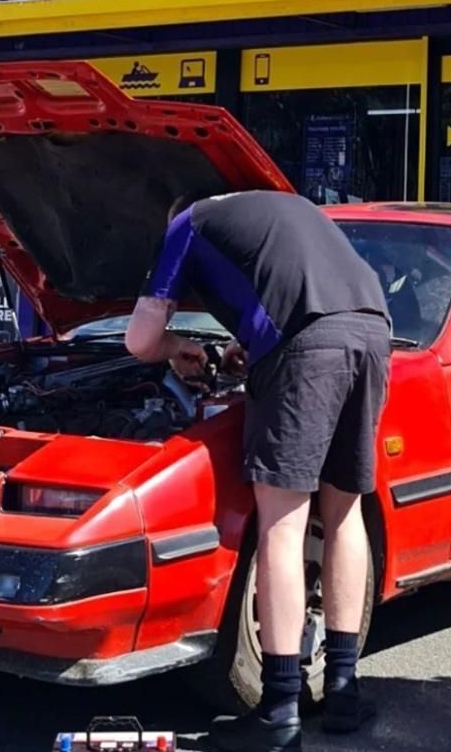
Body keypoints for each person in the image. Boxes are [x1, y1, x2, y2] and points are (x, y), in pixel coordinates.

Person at [124, 189, 392, 752]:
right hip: (371, 332)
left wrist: (175, 343)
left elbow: (139, 339)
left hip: (309, 346)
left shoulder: (187, 224)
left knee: (282, 524)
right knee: (344, 513)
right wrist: (256, 347)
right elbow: (292, 292)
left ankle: (278, 711)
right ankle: (343, 688)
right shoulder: (281, 208)